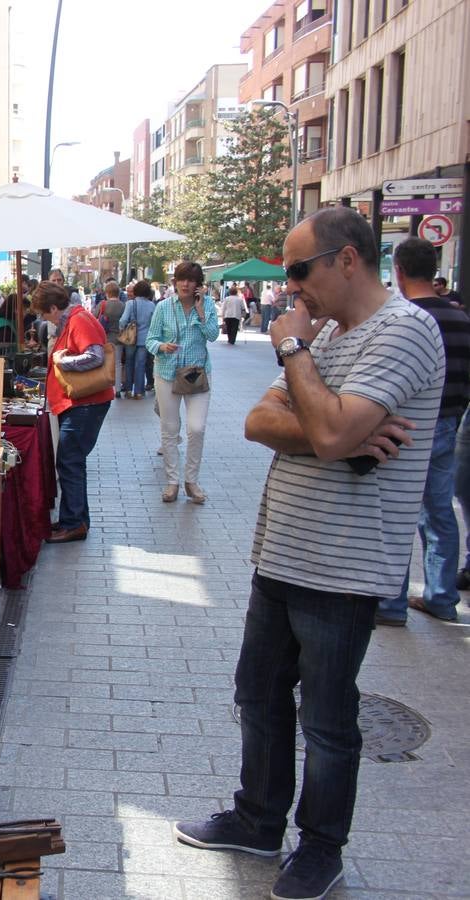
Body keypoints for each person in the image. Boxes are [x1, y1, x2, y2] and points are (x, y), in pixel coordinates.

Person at [174, 207, 444, 900]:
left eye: (299, 271)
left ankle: (320, 847)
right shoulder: (329, 335)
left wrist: (298, 364)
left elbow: (324, 432)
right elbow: (262, 420)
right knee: (258, 695)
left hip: (344, 562)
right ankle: (258, 818)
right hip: (282, 552)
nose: (292, 289)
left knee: (327, 718)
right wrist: (335, 425)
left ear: (346, 259)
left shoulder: (404, 331)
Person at [375, 238, 470, 625]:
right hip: (450, 422)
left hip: (408, 426)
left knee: (397, 511)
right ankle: (442, 597)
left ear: (398, 270)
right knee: (440, 512)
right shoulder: (460, 319)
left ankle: (392, 604)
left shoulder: (404, 320)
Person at [33, 281, 113, 543]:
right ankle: (74, 519)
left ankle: (74, 523)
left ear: (54, 308)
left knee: (69, 461)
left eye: (45, 314)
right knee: (71, 461)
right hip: (80, 404)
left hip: (84, 404)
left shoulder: (79, 320)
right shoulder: (75, 320)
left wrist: (61, 360)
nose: (45, 319)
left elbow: (95, 356)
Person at [146, 261, 219, 503]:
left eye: (191, 280)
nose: (185, 284)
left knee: (196, 428)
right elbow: (150, 340)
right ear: (175, 282)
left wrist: (199, 312)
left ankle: (192, 481)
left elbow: (213, 335)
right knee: (169, 429)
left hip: (197, 374)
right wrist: (162, 347)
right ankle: (172, 482)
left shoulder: (207, 305)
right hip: (167, 372)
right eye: (181, 279)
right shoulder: (164, 307)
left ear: (199, 285)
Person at [118, 280, 157, 400]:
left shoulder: (131, 303)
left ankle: (129, 390)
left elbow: (123, 320)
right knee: (140, 365)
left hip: (130, 339)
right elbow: (154, 323)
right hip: (145, 340)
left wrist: (122, 329)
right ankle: (139, 392)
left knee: (129, 363)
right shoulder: (151, 305)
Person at [96, 281, 125, 388]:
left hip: (104, 338)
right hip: (118, 338)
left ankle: (105, 386)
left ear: (107, 293)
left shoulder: (102, 304)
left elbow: (94, 318)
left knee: (104, 363)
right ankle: (117, 388)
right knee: (117, 363)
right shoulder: (123, 305)